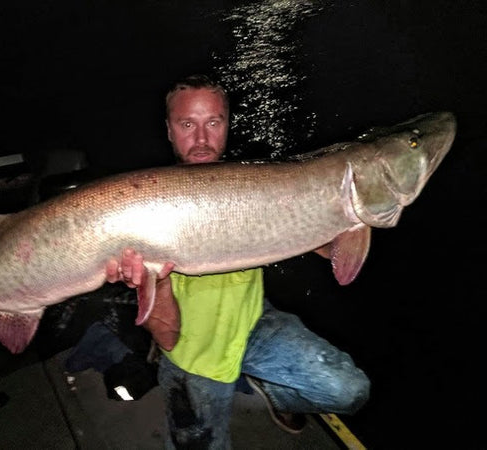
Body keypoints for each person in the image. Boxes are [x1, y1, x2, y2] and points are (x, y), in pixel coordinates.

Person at [104, 74, 370, 449]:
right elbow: (167, 336)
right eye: (187, 124)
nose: (201, 139)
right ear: (168, 130)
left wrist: (356, 212)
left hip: (253, 322)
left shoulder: (256, 186)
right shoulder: (143, 208)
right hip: (193, 359)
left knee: (350, 390)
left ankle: (274, 391)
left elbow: (331, 250)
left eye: (213, 122)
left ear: (227, 124)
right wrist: (154, 279)